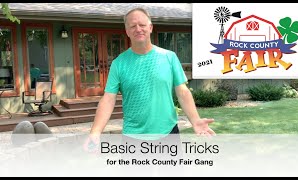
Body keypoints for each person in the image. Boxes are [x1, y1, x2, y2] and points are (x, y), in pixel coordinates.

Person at [84, 7, 215, 150]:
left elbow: (183, 92)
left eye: (142, 25)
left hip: (168, 133)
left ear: (150, 27)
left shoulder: (169, 57)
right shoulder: (118, 63)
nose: (138, 29)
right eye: (133, 26)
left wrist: (195, 120)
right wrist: (95, 132)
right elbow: (108, 99)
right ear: (127, 31)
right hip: (133, 137)